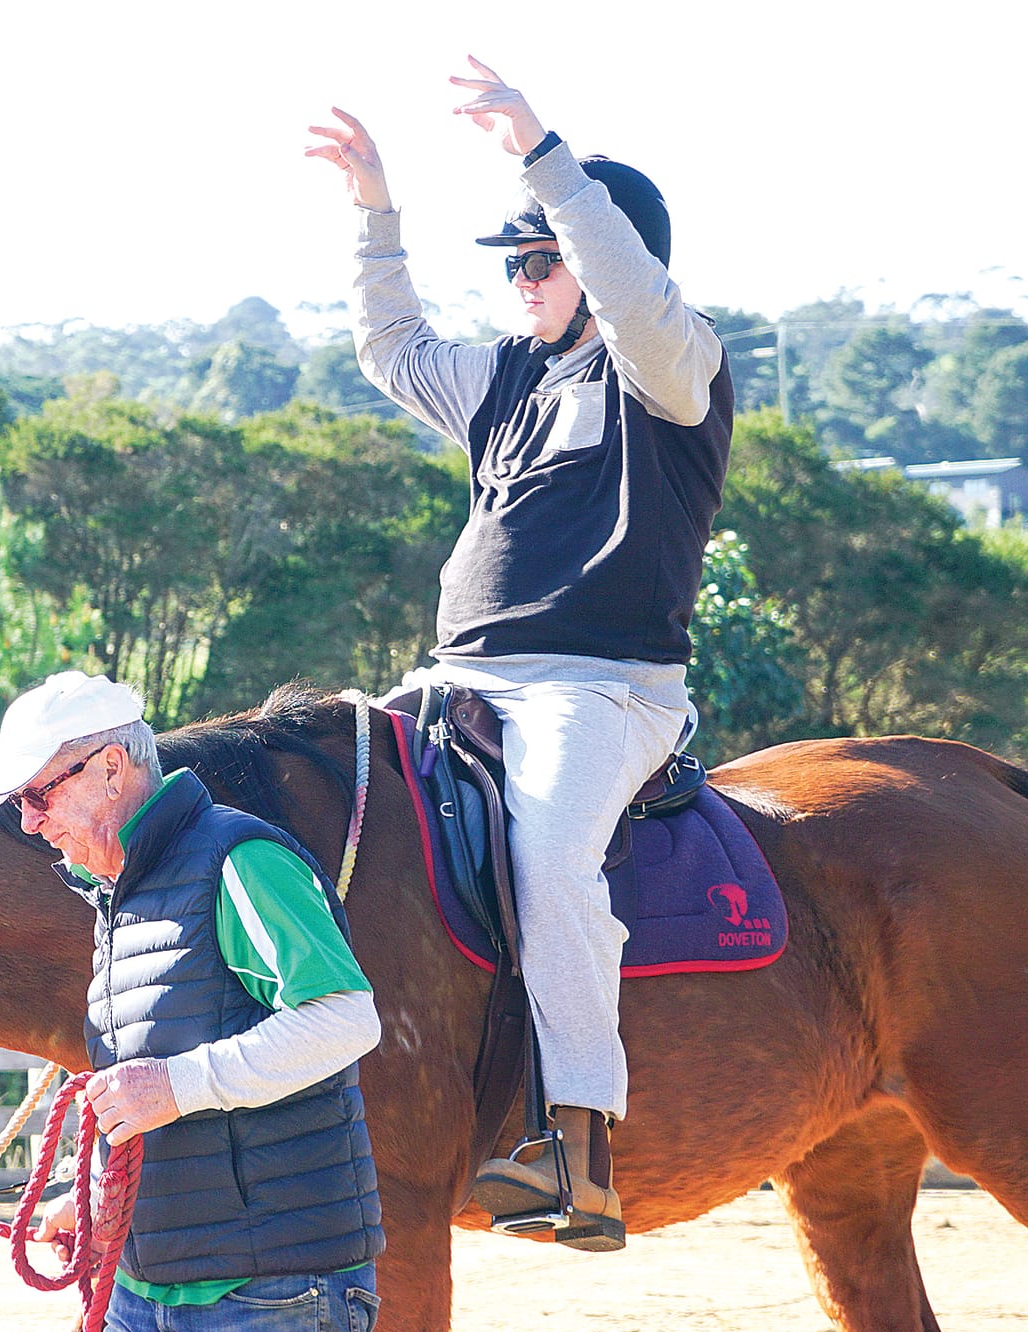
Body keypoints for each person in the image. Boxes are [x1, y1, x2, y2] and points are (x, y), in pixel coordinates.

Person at [307, 58, 734, 1250]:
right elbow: (391, 347)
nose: (518, 278)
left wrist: (542, 152)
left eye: (537, 259)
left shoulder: (668, 365)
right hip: (458, 682)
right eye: (509, 261)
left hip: (601, 691)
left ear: (597, 266)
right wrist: (373, 216)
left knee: (548, 858)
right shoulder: (503, 376)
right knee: (318, 804)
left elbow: (629, 294)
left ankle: (578, 1144)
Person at [0, 669, 399, 1332]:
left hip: (274, 1291)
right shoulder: (119, 903)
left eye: (39, 794)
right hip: (146, 1292)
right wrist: (88, 1196)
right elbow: (148, 1088)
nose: (29, 820)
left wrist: (177, 1085)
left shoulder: (244, 861)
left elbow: (346, 1018)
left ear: (110, 769)